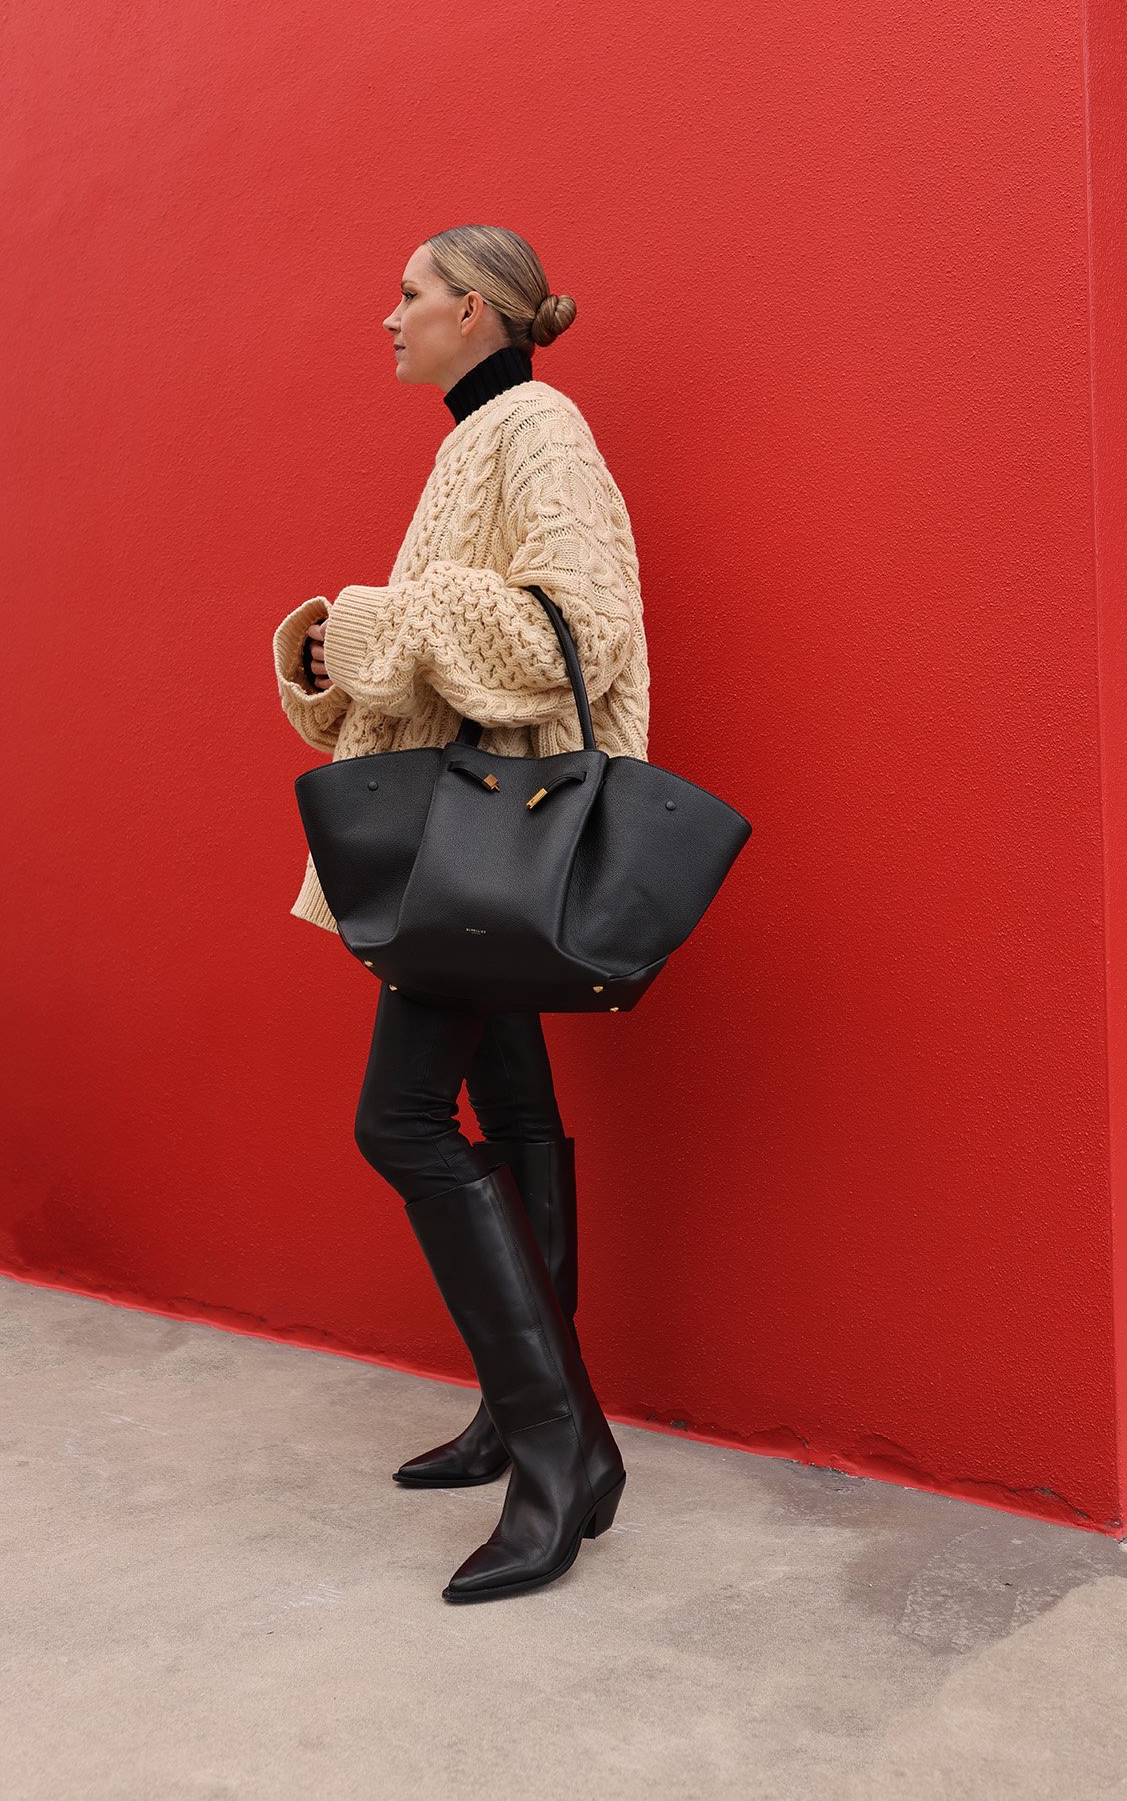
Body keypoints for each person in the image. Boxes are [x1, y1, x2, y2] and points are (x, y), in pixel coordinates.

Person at [271, 224, 651, 1602]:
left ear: (479, 311)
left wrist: (387, 616)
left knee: (402, 1121)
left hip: (492, 839)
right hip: (476, 836)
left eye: (411, 293)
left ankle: (562, 1443)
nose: (391, 317)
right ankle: (527, 1420)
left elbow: (575, 628)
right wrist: (345, 652)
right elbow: (451, 645)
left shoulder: (539, 428)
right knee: (515, 1110)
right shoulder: (475, 439)